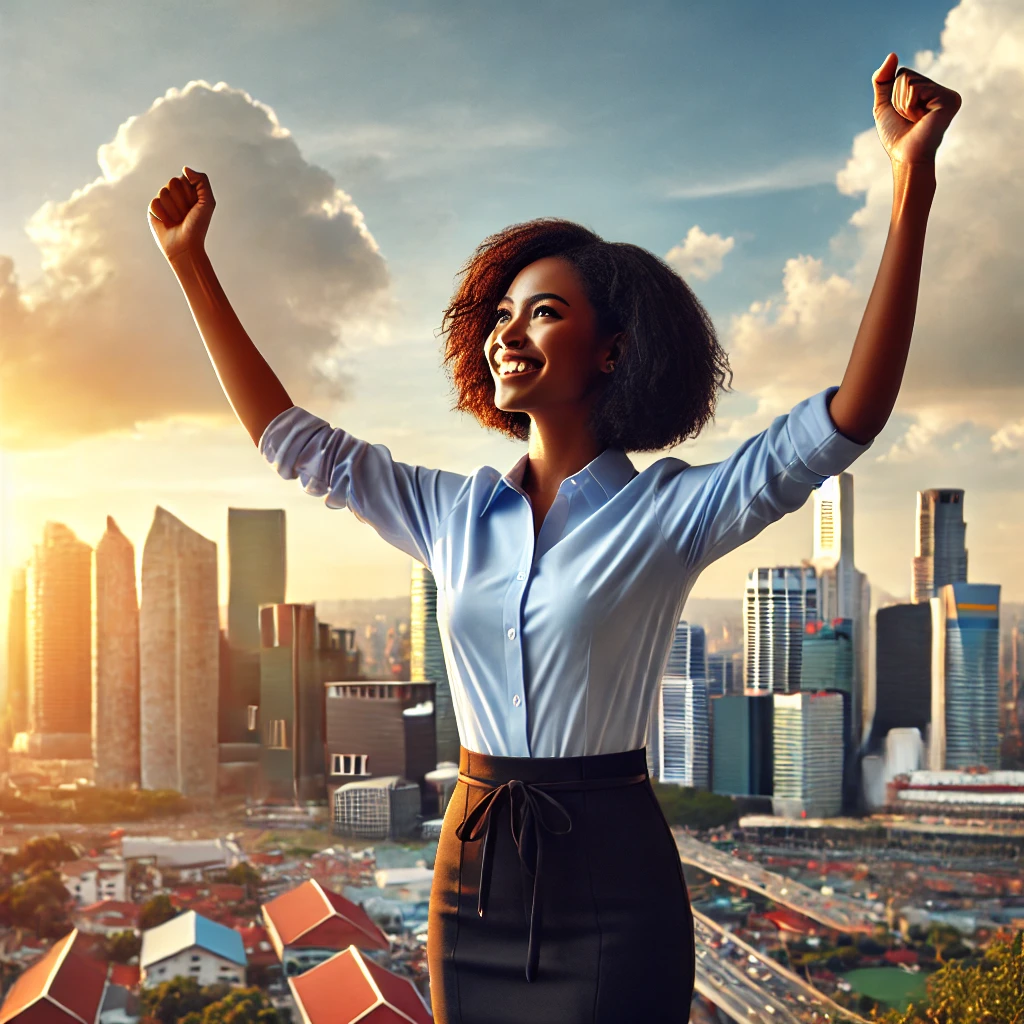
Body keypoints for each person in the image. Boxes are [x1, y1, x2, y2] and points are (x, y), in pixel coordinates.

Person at [148, 52, 960, 1024]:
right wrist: (190, 266)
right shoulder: (448, 513)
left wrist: (911, 183)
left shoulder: (669, 511)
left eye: (542, 311)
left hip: (612, 871)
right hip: (470, 872)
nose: (506, 331)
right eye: (498, 315)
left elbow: (848, 417)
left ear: (610, 349)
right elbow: (294, 441)